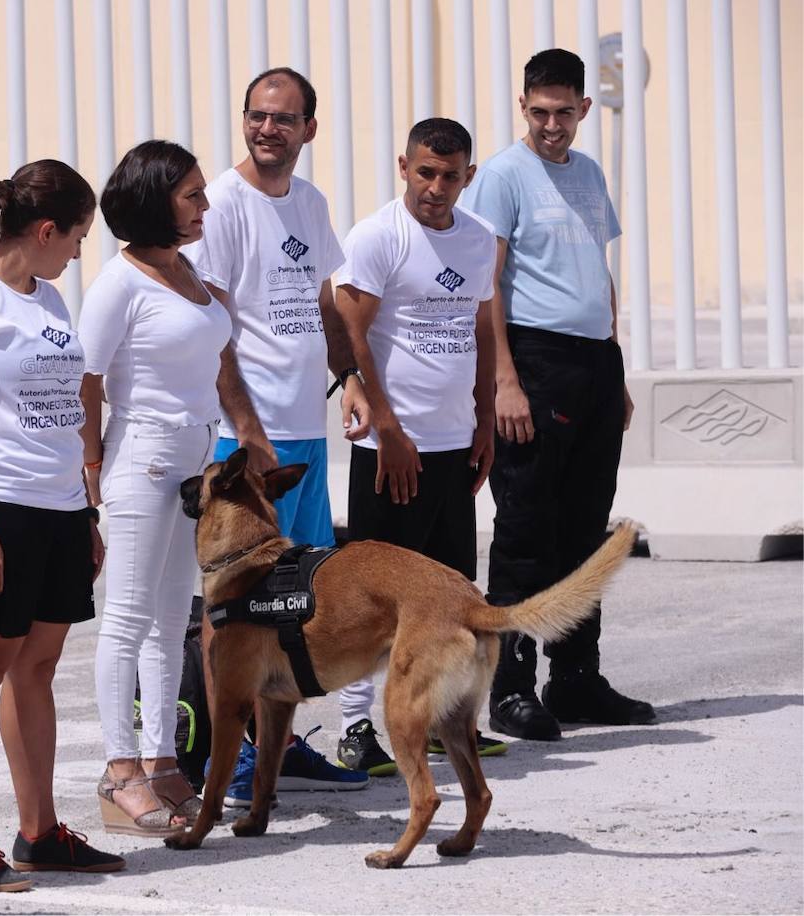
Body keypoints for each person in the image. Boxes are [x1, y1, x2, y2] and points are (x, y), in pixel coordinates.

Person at [0, 160, 124, 894]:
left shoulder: (51, 300)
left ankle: (39, 832)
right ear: (44, 231)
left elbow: (67, 411)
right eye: (75, 238)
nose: (77, 252)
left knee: (36, 666)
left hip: (59, 509)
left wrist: (84, 510)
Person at [182, 67, 370, 804]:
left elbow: (323, 300)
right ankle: (221, 765)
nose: (268, 129)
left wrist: (350, 377)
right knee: (229, 611)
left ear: (308, 130)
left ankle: (277, 747)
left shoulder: (311, 203)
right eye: (258, 116)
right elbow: (215, 324)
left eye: (284, 118)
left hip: (306, 433)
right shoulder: (223, 207)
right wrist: (247, 431)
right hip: (245, 447)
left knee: (289, 601)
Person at [464, 49, 655, 740]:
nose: (552, 125)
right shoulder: (506, 178)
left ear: (582, 108)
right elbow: (487, 284)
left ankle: (575, 678)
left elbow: (595, 272)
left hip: (593, 365)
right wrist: (504, 382)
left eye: (564, 112)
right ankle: (510, 687)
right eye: (539, 112)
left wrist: (617, 369)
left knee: (584, 526)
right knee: (525, 529)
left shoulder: (589, 173)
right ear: (523, 107)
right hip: (535, 361)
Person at [332, 118, 508, 777]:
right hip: (392, 448)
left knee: (448, 592)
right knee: (372, 599)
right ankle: (355, 729)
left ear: (467, 176)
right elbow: (351, 334)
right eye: (425, 172)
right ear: (403, 167)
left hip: (454, 443)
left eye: (450, 175)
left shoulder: (477, 239)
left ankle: (437, 723)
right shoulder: (377, 236)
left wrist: (484, 421)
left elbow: (482, 329)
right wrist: (388, 429)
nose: (436, 188)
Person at [78, 140, 231, 835]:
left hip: (194, 458)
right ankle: (120, 771)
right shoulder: (121, 282)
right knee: (129, 615)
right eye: (193, 194)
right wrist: (88, 471)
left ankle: (164, 761)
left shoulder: (186, 271)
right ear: (154, 201)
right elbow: (87, 380)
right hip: (141, 457)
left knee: (173, 619)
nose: (205, 204)